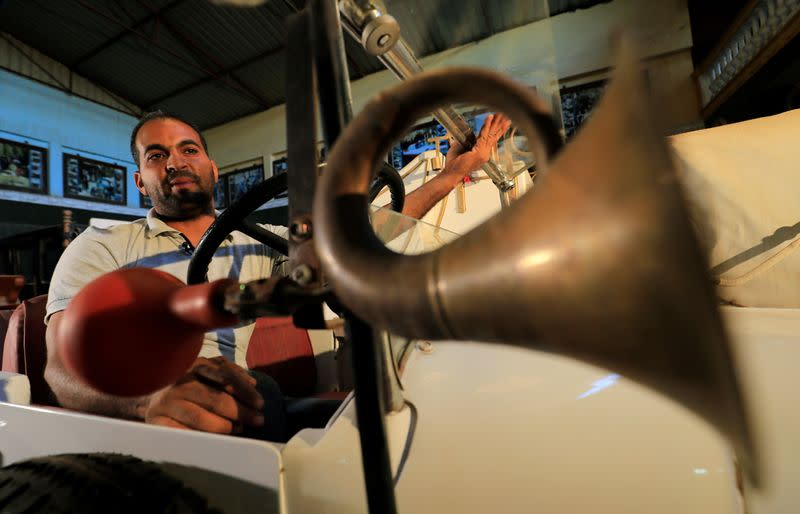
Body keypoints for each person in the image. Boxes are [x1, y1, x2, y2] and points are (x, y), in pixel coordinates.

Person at [44, 109, 511, 440]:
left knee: (390, 415)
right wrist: (145, 402)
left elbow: (359, 235)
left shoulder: (260, 242)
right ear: (139, 180)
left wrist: (452, 176)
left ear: (212, 167)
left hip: (243, 399)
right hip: (140, 418)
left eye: (188, 150)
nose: (175, 162)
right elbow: (60, 367)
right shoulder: (101, 244)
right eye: (156, 155)